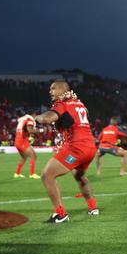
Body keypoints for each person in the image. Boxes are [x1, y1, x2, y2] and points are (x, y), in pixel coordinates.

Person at [34, 80, 99, 223]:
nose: (50, 91)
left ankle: (60, 214)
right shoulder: (80, 104)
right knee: (79, 176)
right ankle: (93, 208)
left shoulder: (61, 104)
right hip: (90, 147)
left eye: (53, 88)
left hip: (76, 148)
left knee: (47, 175)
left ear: (63, 90)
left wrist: (35, 118)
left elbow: (47, 118)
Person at [14, 114, 41, 179]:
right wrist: (40, 130)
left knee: (24, 157)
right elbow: (30, 130)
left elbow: (24, 130)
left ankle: (17, 173)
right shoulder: (30, 120)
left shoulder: (23, 120)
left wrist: (28, 137)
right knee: (33, 156)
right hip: (22, 141)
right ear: (34, 114)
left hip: (17, 140)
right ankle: (32, 174)